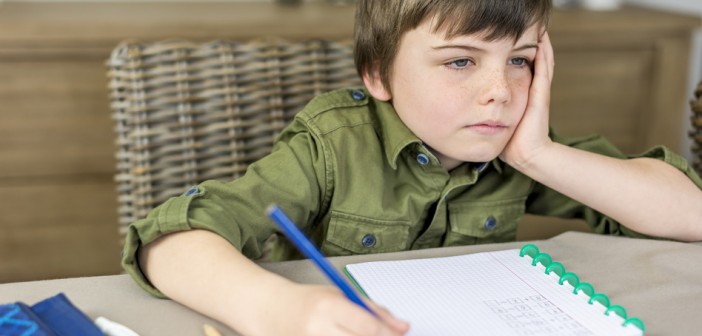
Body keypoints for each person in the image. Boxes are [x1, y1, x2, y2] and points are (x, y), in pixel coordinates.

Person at [122, 0, 702, 335]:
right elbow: (167, 242)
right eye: (459, 60)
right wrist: (277, 310)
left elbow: (690, 214)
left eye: (521, 61)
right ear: (378, 74)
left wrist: (537, 155)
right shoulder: (332, 145)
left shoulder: (519, 149)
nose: (500, 91)